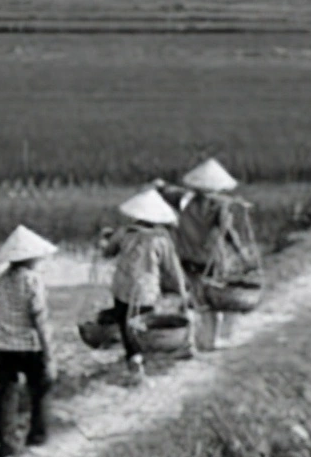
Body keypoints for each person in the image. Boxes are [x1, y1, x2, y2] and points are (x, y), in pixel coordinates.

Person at [98, 189, 189, 383]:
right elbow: (173, 269)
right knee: (142, 326)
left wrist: (105, 239)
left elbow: (107, 253)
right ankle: (142, 362)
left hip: (122, 287)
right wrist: (182, 292)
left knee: (125, 325)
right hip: (146, 290)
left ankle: (134, 361)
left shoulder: (123, 233)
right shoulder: (161, 239)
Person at [0, 225, 58, 457]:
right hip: (30, 346)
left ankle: (6, 451)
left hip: (3, 348)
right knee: (41, 389)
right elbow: (40, 320)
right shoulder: (33, 281)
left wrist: (7, 330)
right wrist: (49, 355)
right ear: (30, 257)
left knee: (6, 398)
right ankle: (36, 438)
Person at [155, 158, 260, 297]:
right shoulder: (218, 207)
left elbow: (161, 188)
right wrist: (242, 255)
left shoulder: (181, 199)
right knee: (212, 296)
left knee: (191, 295)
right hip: (209, 259)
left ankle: (193, 313)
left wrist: (161, 186)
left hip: (186, 257)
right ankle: (214, 317)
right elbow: (228, 232)